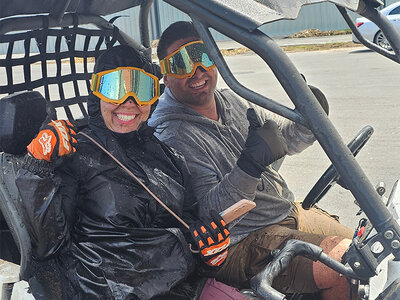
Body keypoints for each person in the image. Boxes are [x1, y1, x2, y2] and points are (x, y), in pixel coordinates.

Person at [15, 45, 247, 300]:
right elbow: (50, 245)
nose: (129, 103)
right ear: (97, 93)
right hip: (110, 292)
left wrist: (209, 251)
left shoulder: (167, 155)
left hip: (180, 286)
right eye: (115, 88)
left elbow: (188, 224)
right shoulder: (76, 155)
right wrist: (38, 166)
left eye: (142, 90)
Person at [148, 21, 355, 300]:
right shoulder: (171, 134)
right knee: (344, 266)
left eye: (202, 55)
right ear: (165, 74)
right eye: (180, 63)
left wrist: (308, 121)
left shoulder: (229, 100)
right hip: (240, 242)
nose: (196, 71)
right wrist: (249, 166)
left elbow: (280, 141)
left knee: (364, 249)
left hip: (282, 212)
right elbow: (212, 217)